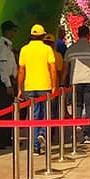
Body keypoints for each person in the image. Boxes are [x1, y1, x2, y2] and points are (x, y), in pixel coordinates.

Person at [17, 24, 57, 155]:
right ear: (43, 35)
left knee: (34, 116)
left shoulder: (24, 50)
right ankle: (43, 133)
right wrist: (54, 85)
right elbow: (52, 68)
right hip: (44, 86)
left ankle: (35, 147)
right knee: (46, 114)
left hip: (29, 87)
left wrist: (20, 88)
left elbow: (21, 70)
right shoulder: (47, 49)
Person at [0, 20, 18, 149]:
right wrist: (8, 84)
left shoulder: (7, 45)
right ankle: (0, 139)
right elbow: (2, 67)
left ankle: (6, 137)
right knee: (2, 110)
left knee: (8, 111)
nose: (14, 33)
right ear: (7, 31)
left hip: (7, 79)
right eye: (13, 30)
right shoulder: (2, 45)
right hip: (2, 81)